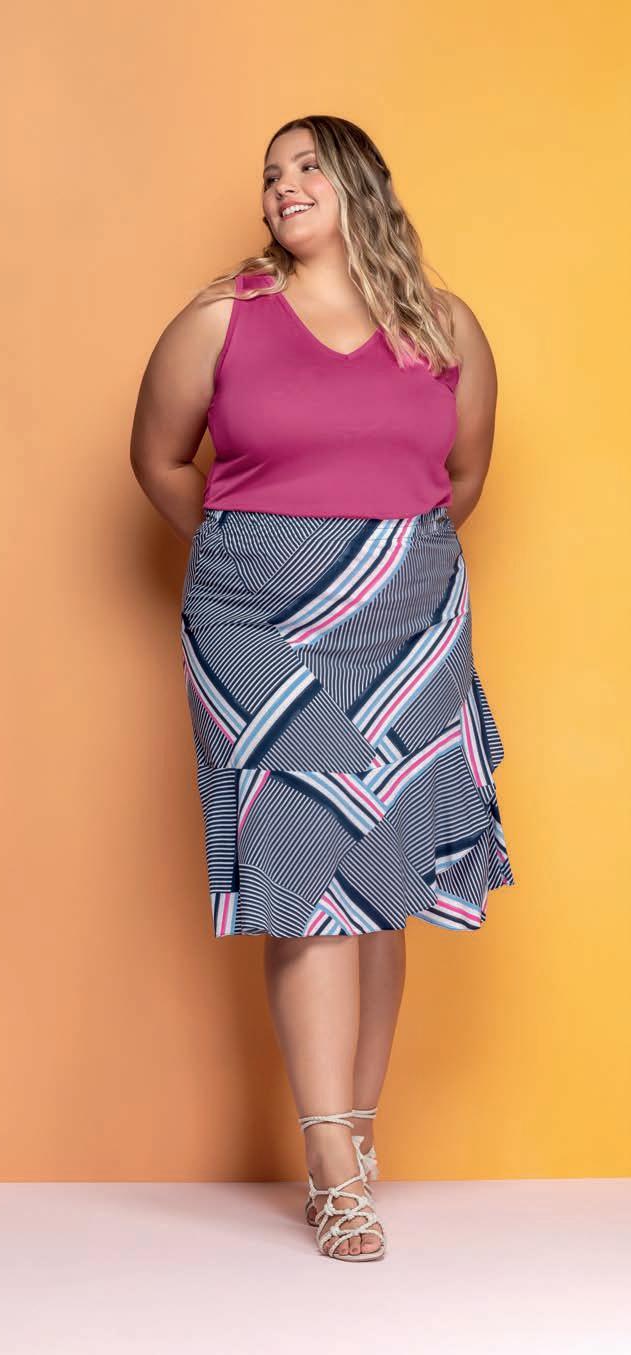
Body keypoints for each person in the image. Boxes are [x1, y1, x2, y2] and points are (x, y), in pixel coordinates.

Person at [130, 114, 516, 1263]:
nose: (281, 185)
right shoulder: (220, 318)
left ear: (360, 184)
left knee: (378, 872)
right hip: (253, 623)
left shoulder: (445, 325)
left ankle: (352, 1129)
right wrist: (257, 557)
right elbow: (157, 458)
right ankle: (333, 1170)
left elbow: (461, 475)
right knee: (306, 863)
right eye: (270, 174)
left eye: (305, 166)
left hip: (406, 622)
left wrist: (380, 568)